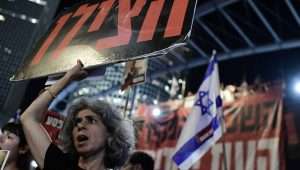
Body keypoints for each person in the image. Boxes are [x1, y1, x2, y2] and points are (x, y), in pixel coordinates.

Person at [20, 60, 135, 170]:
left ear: (110, 134)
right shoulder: (59, 165)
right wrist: (68, 78)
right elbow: (28, 117)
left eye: (91, 120)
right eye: (77, 122)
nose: (80, 126)